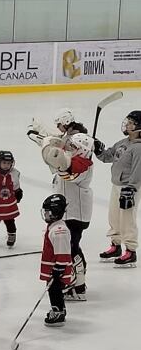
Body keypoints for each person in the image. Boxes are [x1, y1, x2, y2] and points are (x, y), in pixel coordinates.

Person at [47, 131, 94, 299]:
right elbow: (55, 164)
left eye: (74, 146)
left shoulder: (84, 164)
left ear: (82, 150)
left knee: (72, 247)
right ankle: (76, 280)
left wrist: (52, 150)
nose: (70, 148)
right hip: (69, 213)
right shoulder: (74, 159)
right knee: (71, 246)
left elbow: (66, 170)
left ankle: (79, 284)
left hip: (76, 214)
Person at [94, 111, 141, 267]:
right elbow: (109, 156)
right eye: (127, 122)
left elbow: (138, 171)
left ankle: (130, 251)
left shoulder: (138, 148)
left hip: (128, 188)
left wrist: (131, 189)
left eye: (131, 123)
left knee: (127, 219)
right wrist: (98, 150)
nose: (127, 125)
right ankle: (115, 246)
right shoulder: (123, 142)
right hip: (116, 186)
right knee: (114, 217)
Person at [39, 194, 74, 326]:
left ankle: (58, 312)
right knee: (54, 290)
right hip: (55, 268)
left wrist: (58, 268)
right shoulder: (55, 227)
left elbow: (63, 253)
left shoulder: (59, 230)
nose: (45, 214)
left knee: (54, 290)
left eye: (47, 212)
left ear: (54, 212)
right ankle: (60, 309)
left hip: (57, 269)